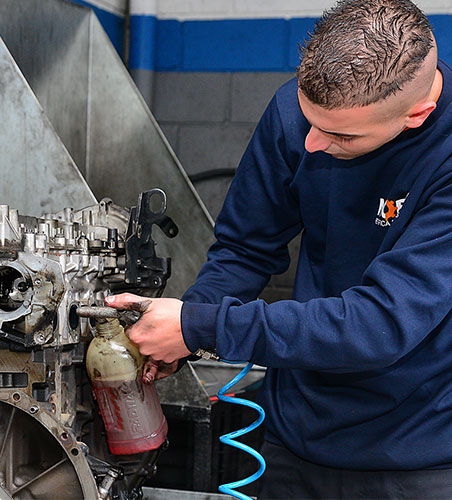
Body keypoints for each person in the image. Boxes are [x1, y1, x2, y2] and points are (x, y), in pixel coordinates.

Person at [106, 0, 452, 497]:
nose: (309, 143)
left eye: (338, 134)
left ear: (416, 114)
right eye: (307, 119)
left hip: (417, 453)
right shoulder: (297, 112)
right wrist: (182, 331)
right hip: (296, 434)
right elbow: (245, 249)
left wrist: (202, 325)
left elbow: (378, 325)